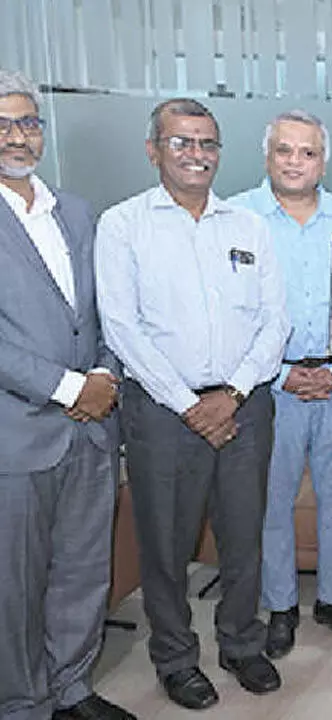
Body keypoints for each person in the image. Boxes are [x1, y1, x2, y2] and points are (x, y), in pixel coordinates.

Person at [95, 98, 289, 711]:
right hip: (161, 412)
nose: (196, 155)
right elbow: (121, 327)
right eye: (181, 143)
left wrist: (230, 395)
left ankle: (240, 643)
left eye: (207, 143)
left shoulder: (248, 225)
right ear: (154, 150)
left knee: (242, 537)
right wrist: (187, 404)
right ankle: (176, 659)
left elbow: (274, 321)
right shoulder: (123, 224)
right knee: (166, 545)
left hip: (243, 405)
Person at [0, 69, 134, 720]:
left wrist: (105, 375)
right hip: (18, 433)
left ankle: (72, 688)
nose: (17, 136)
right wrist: (67, 387)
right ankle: (22, 702)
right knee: (14, 584)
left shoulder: (75, 211)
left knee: (83, 568)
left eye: (27, 122)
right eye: (2, 124)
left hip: (92, 427)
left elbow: (105, 313)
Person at [228, 110, 332, 660]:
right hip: (268, 382)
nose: (295, 162)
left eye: (307, 152)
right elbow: (230, 316)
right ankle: (280, 606)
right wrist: (282, 373)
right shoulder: (238, 218)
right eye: (284, 151)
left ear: (323, 161)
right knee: (271, 501)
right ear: (266, 156)